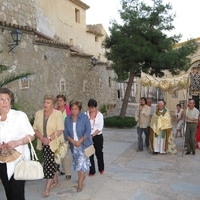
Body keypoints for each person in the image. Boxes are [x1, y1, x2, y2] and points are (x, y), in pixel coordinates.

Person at [0, 88, 35, 200]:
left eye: (7, 99)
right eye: (1, 99)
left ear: (11, 101)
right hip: (3, 162)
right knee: (9, 194)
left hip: (19, 162)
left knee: (17, 194)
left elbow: (32, 136)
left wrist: (17, 142)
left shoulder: (19, 116)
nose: (4, 102)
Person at [33, 95, 64, 197]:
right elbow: (35, 128)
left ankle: (47, 188)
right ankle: (56, 182)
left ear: (53, 105)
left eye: (48, 102)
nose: (45, 104)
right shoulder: (38, 114)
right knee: (49, 162)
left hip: (54, 143)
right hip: (43, 143)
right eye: (44, 102)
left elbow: (60, 130)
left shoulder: (57, 114)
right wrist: (42, 138)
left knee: (48, 165)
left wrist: (49, 138)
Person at [64, 100, 92, 192]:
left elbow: (88, 131)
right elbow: (66, 133)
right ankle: (82, 176)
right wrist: (72, 141)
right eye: (72, 109)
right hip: (73, 145)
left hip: (83, 144)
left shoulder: (84, 118)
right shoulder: (67, 119)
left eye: (76, 109)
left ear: (79, 109)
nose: (74, 111)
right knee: (78, 163)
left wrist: (80, 141)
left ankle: (80, 183)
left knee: (81, 164)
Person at [86, 99, 104, 176]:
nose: (91, 110)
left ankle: (101, 168)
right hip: (88, 137)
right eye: (90, 108)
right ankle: (92, 170)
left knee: (99, 153)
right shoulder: (85, 115)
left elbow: (100, 127)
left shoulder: (100, 115)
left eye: (92, 108)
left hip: (97, 136)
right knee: (90, 154)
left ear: (95, 107)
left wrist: (93, 135)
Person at [56, 94, 72, 179]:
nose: (59, 102)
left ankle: (68, 172)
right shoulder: (55, 111)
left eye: (61, 100)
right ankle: (63, 169)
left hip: (66, 134)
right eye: (58, 100)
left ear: (64, 102)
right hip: (57, 135)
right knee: (59, 153)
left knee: (67, 153)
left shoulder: (68, 110)